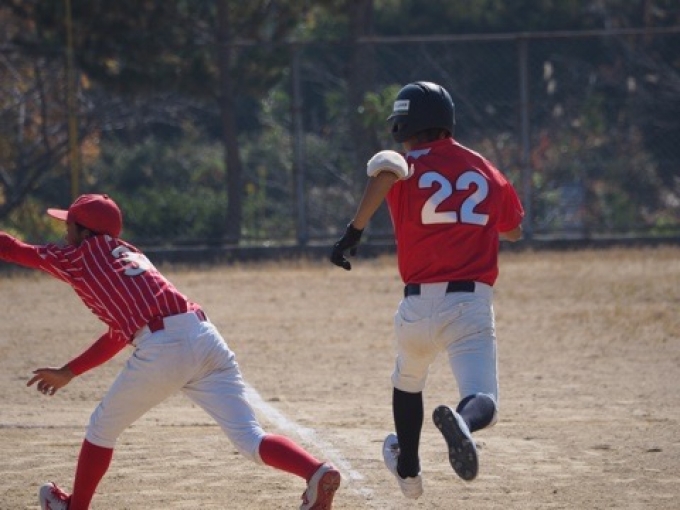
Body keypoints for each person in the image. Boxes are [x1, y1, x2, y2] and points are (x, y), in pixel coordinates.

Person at [0, 193, 341, 510]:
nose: (65, 230)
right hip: (204, 337)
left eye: (70, 224)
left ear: (85, 231)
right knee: (250, 438)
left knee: (101, 429)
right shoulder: (128, 254)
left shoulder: (77, 257)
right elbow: (118, 336)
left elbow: (12, 249)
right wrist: (68, 371)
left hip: (165, 346)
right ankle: (315, 471)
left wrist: (69, 371)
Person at [330, 81, 523, 499]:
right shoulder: (486, 170)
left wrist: (354, 231)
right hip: (470, 302)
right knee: (483, 398)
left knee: (408, 380)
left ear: (403, 124)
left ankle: (410, 470)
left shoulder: (404, 164)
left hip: (417, 303)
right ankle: (463, 422)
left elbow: (385, 169)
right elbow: (513, 230)